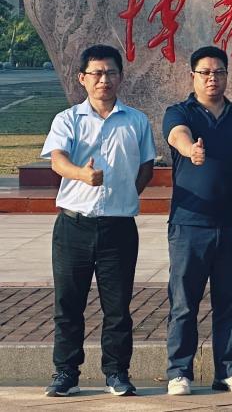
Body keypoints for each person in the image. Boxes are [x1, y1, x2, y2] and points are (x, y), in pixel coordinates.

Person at [41, 44, 155, 397]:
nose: (104, 79)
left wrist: (124, 195)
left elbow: (146, 167)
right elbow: (57, 160)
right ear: (82, 78)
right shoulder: (67, 119)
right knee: (68, 304)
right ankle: (66, 373)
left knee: (117, 308)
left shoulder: (136, 120)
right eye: (97, 73)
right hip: (73, 226)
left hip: (118, 227)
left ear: (120, 77)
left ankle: (117, 373)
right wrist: (81, 174)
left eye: (111, 73)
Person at [163, 46, 232, 396]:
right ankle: (179, 372)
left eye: (219, 72)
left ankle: (229, 371)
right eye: (205, 72)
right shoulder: (180, 112)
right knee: (184, 302)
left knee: (230, 302)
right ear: (193, 76)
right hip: (190, 224)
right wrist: (190, 149)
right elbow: (176, 135)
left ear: (226, 75)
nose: (212, 79)